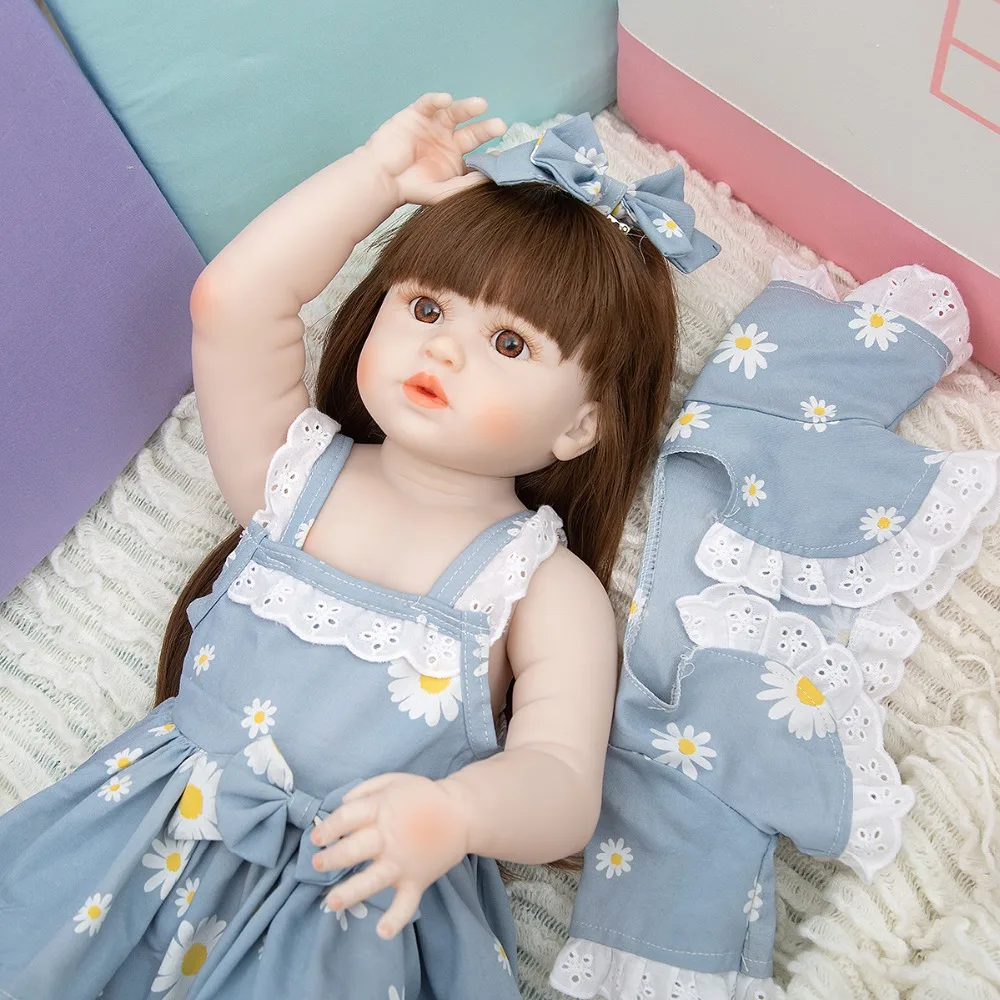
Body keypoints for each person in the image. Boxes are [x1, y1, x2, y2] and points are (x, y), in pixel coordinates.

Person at [0, 93, 717, 999]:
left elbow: (563, 785)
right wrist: (376, 178)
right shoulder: (295, 474)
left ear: (581, 426)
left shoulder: (542, 587)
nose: (444, 351)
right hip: (138, 850)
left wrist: (457, 814)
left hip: (343, 909)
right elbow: (233, 303)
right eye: (425, 307)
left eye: (508, 343)